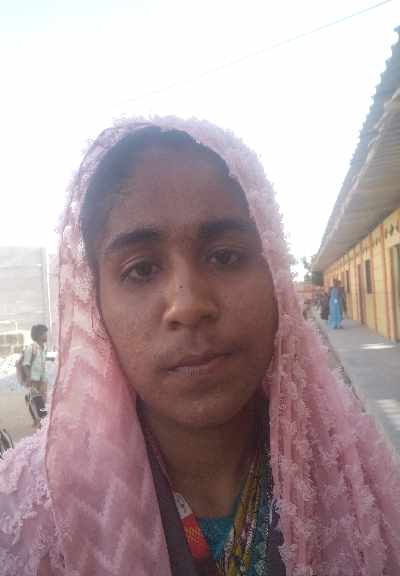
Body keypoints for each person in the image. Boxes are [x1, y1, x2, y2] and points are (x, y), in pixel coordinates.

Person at [1, 118, 400, 576]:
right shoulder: (26, 518)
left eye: (225, 256)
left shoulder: (361, 482)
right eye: (140, 270)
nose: (188, 305)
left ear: (276, 280)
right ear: (94, 306)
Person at [22, 324, 48, 428]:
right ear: (39, 335)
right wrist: (29, 378)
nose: (46, 335)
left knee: (42, 402)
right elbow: (25, 364)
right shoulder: (31, 348)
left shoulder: (44, 348)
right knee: (39, 403)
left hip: (42, 381)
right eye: (44, 333)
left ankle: (39, 421)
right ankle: (42, 424)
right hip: (34, 381)